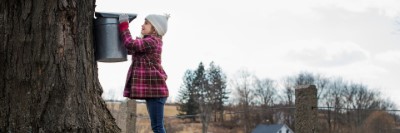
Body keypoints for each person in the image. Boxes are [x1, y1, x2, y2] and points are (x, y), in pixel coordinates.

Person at [118, 13, 170, 133]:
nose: (142, 25)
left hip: (157, 92)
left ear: (155, 28)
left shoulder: (153, 41)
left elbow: (130, 44)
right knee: (157, 127)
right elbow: (130, 47)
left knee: (157, 127)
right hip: (153, 92)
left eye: (146, 23)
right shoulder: (147, 42)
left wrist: (124, 26)